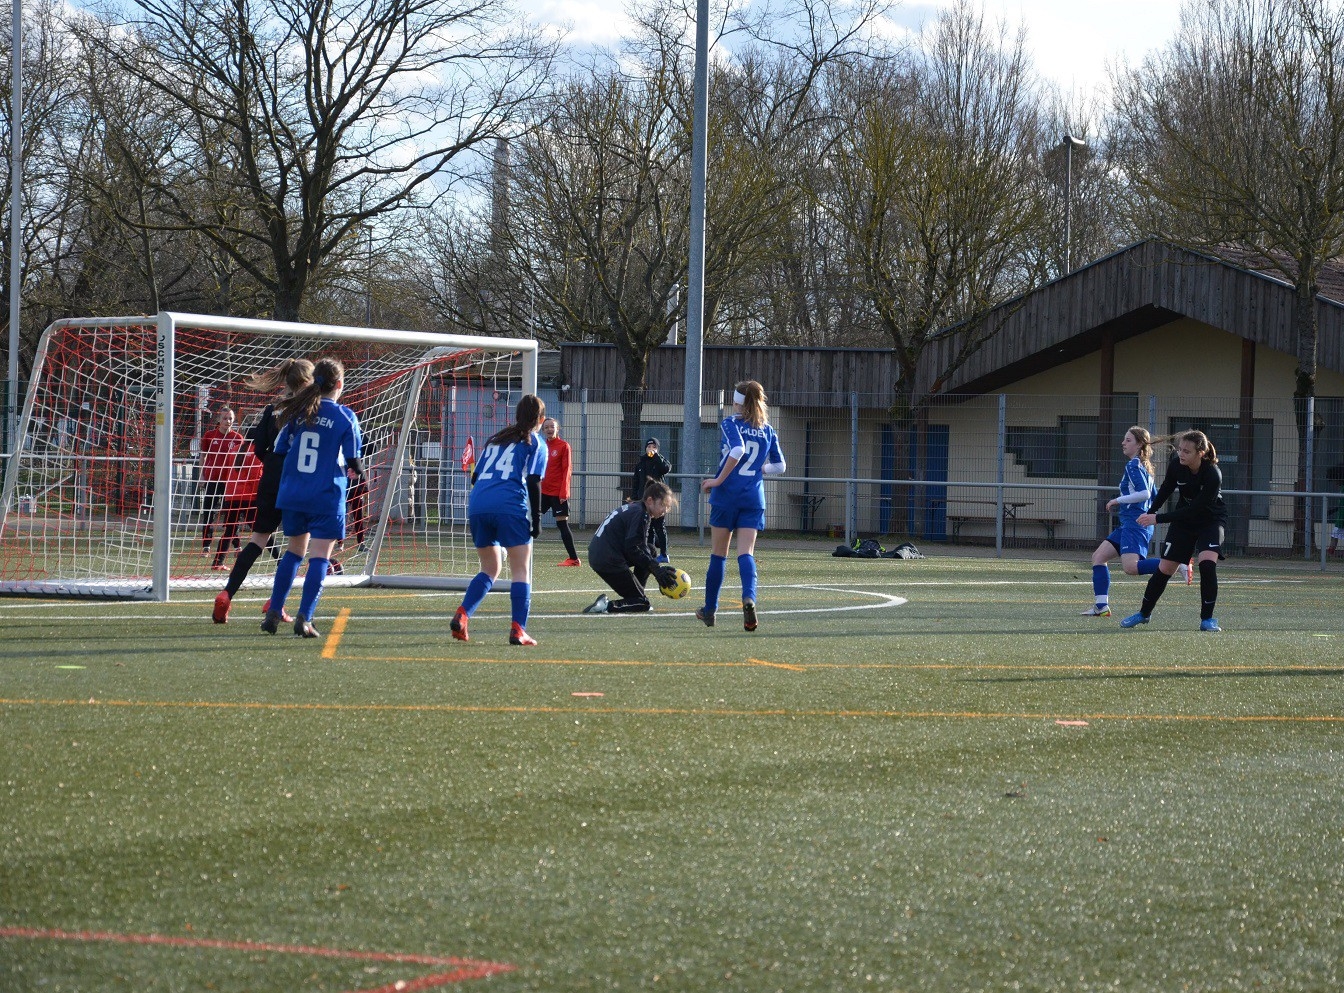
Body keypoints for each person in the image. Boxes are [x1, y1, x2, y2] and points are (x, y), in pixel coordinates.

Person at [261, 357, 365, 638]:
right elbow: (354, 459)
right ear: (339, 384)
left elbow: (280, 449)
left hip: (294, 494)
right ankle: (305, 618)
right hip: (325, 495)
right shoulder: (344, 416)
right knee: (320, 556)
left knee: (294, 552)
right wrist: (357, 470)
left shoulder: (299, 412)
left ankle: (274, 612)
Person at [213, 359, 315, 624]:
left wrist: (271, 462)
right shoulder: (311, 408)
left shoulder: (272, 408)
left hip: (270, 478)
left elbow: (258, 446)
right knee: (297, 547)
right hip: (297, 480)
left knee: (258, 539)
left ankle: (227, 593)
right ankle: (275, 603)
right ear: (307, 381)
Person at [450, 394, 548, 646]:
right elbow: (534, 481)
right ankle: (518, 629)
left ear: (517, 416)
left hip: (478, 505)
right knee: (521, 570)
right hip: (509, 506)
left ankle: (462, 615)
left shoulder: (495, 440)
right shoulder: (536, 443)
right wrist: (537, 518)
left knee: (490, 568)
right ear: (541, 419)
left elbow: (475, 477)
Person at [696, 380, 786, 631]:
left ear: (737, 402)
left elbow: (737, 449)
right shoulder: (768, 430)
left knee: (718, 554)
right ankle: (749, 598)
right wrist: (760, 470)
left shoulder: (731, 423)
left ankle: (710, 610)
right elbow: (780, 466)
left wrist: (717, 481)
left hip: (727, 496)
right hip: (753, 498)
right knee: (746, 553)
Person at [1121, 429, 1227, 632]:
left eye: (1187, 451)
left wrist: (1158, 519)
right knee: (1165, 568)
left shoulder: (1213, 474)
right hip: (1184, 523)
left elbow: (1195, 509)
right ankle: (1144, 614)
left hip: (1210, 521)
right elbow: (1166, 489)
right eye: (1180, 449)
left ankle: (1207, 619)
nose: (1181, 454)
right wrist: (1150, 512)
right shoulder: (1177, 465)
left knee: (1207, 564)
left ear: (1200, 453)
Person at [1081, 425, 1189, 617]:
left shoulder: (1134, 465)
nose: (1123, 443)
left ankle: (1176, 562)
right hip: (1131, 524)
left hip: (1134, 524)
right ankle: (1101, 606)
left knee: (1131, 568)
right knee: (1098, 557)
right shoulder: (1144, 466)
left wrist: (1117, 500)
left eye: (1128, 440)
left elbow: (1145, 494)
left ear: (1139, 445)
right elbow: (1154, 497)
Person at [583, 481, 681, 614]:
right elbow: (633, 549)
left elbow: (640, 547)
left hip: (602, 555)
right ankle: (606, 606)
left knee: (650, 550)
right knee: (643, 604)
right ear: (650, 501)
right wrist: (657, 570)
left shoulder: (636, 508)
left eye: (668, 507)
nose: (665, 511)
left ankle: (636, 595)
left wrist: (656, 569)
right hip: (607, 559)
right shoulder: (641, 514)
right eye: (663, 505)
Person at [198, 406, 245, 560]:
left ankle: (237, 546)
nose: (227, 421)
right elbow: (203, 456)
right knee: (208, 512)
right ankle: (206, 546)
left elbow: (241, 461)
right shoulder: (209, 435)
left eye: (230, 418)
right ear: (219, 420)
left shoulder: (238, 438)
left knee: (232, 513)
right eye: (225, 418)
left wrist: (239, 479)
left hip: (230, 482)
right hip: (212, 479)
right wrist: (202, 476)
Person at [540, 417, 582, 567]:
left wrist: (564, 492)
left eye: (552, 426)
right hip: (543, 492)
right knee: (528, 519)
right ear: (542, 430)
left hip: (558, 493)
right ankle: (516, 552)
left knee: (562, 524)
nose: (549, 429)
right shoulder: (542, 446)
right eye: (546, 427)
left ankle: (574, 559)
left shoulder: (564, 446)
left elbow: (567, 470)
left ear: (557, 429)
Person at [629, 437, 673, 562]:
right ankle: (650, 553)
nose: (651, 449)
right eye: (649, 447)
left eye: (654, 447)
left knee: (660, 527)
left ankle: (664, 554)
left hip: (659, 500)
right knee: (648, 527)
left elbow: (665, 468)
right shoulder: (640, 464)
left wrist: (656, 456)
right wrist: (634, 498)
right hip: (645, 501)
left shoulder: (660, 460)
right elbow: (636, 482)